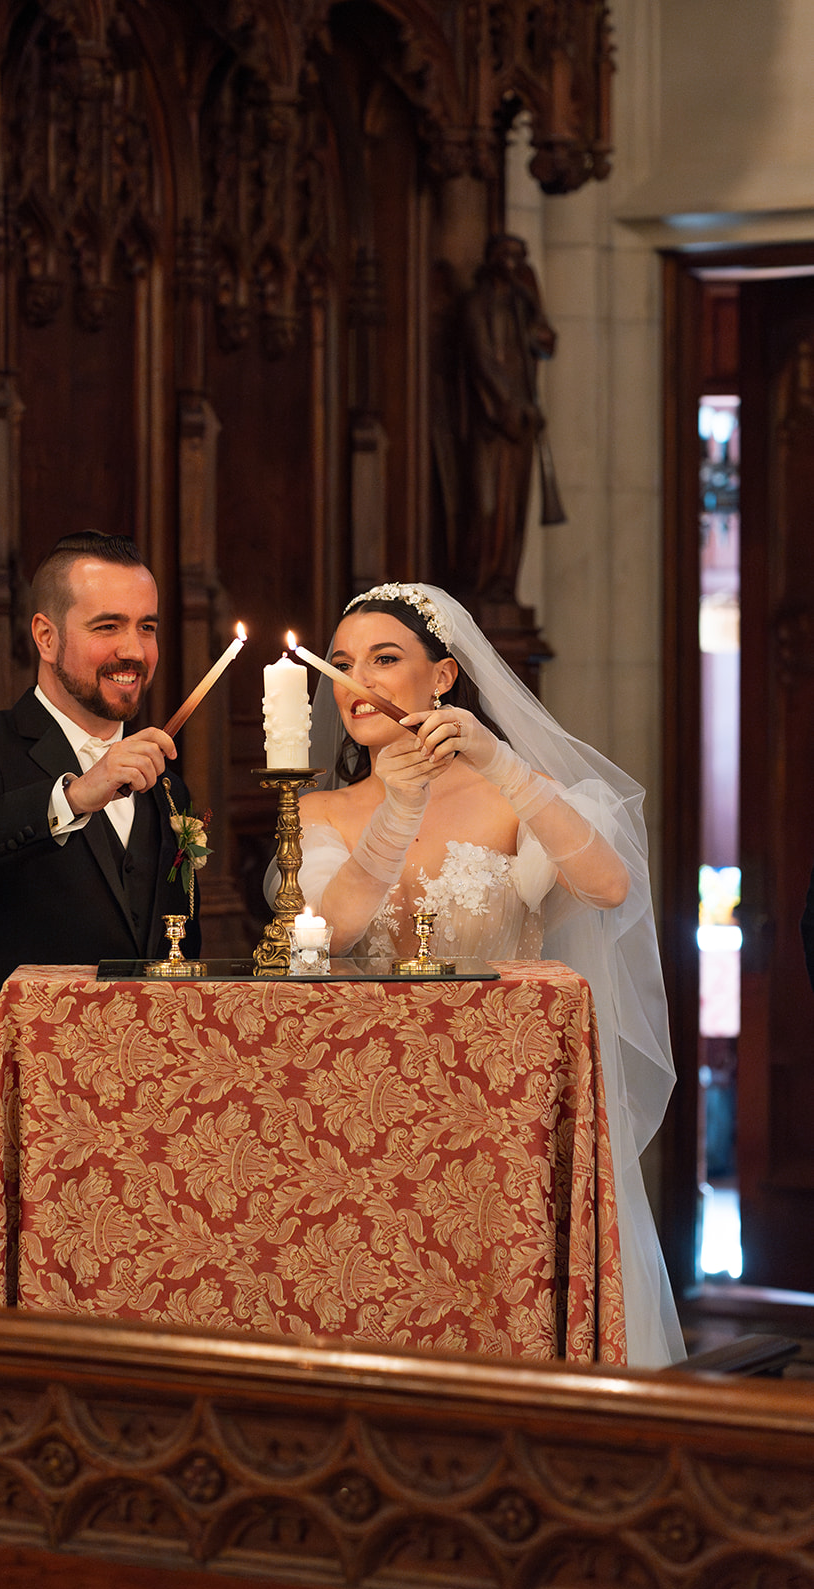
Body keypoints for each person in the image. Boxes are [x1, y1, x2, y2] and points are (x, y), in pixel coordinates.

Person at [289, 581, 685, 1368]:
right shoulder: (320, 813)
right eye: (339, 664)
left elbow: (606, 887)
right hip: (364, 1109)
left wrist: (501, 765)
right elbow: (329, 933)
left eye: (384, 658)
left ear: (442, 677)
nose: (354, 680)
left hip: (496, 1103)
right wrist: (395, 811)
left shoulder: (513, 796)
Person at [0, 531, 201, 1298]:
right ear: (45, 635)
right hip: (5, 1136)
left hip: (141, 1139)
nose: (133, 650)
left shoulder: (169, 785)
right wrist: (74, 796)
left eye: (148, 627)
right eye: (107, 627)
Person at [461, 233, 564, 603]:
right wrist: (507, 404)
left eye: (520, 259)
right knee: (487, 507)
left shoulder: (521, 307)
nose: (513, 266)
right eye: (507, 257)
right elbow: (483, 359)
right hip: (492, 422)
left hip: (520, 424)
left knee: (514, 510)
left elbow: (547, 343)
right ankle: (480, 583)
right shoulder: (477, 305)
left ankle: (503, 583)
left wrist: (534, 303)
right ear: (491, 260)